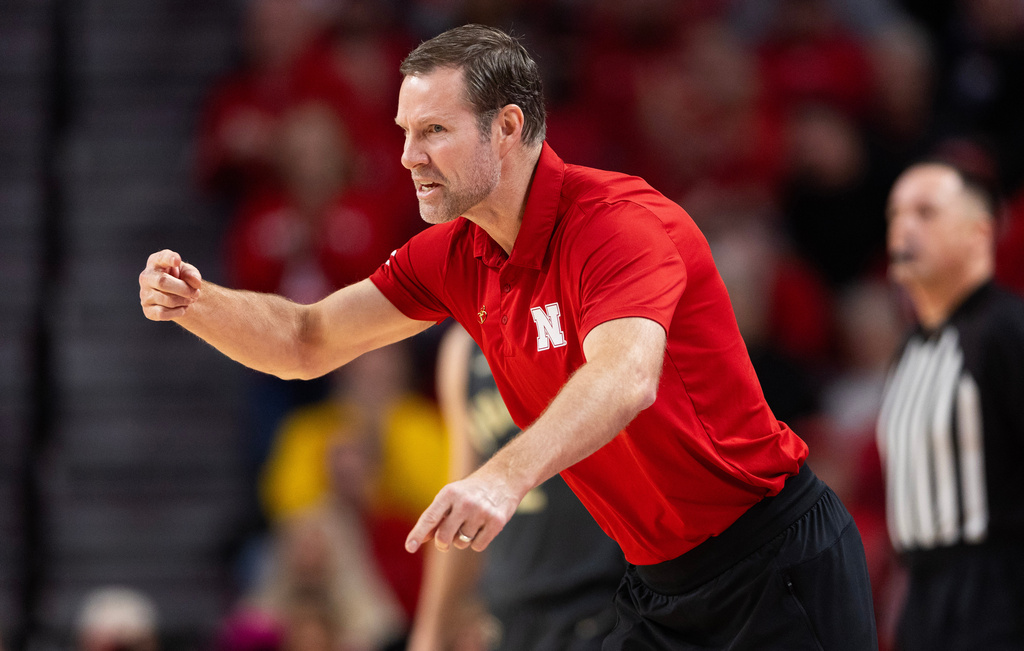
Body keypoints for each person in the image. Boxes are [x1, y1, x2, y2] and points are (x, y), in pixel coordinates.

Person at [140, 24, 876, 649]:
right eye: (403, 132)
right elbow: (306, 339)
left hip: (772, 558)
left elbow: (625, 376)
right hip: (661, 585)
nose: (407, 157)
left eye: (434, 131)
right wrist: (198, 303)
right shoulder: (457, 254)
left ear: (510, 126)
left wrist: (501, 475)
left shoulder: (617, 224)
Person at [877, 162, 1024, 650]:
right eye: (895, 213)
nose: (904, 227)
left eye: (926, 212)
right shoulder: (910, 348)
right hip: (921, 597)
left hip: (995, 592)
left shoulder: (1006, 331)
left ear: (978, 233)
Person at [408, 324, 624, 651]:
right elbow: (463, 491)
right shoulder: (462, 347)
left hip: (604, 594)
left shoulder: (593, 314)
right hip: (509, 606)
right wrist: (429, 634)